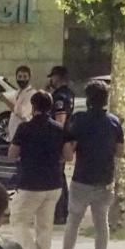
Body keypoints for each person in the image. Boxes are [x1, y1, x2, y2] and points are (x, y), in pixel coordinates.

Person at [53, 80, 123, 249]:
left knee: (73, 221)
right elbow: (120, 151)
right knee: (102, 224)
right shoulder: (114, 122)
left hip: (82, 177)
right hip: (105, 179)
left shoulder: (80, 119)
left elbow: (70, 149)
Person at [9, 91, 73, 249]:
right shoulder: (59, 129)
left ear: (33, 106)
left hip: (30, 183)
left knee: (18, 220)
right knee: (44, 226)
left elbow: (12, 153)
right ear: (50, 107)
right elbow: (69, 156)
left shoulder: (25, 128)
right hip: (53, 183)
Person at [47, 66, 76, 225]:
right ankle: (63, 212)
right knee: (60, 176)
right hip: (65, 139)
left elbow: (60, 121)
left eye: (52, 77)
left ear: (58, 77)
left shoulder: (59, 96)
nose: (50, 80)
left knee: (57, 176)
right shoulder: (69, 93)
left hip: (58, 141)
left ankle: (60, 213)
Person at [0, 65, 35, 143]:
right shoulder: (17, 93)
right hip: (14, 134)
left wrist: (6, 101)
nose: (22, 79)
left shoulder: (31, 93)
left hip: (24, 135)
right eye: (20, 76)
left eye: (25, 77)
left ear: (29, 78)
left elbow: (22, 113)